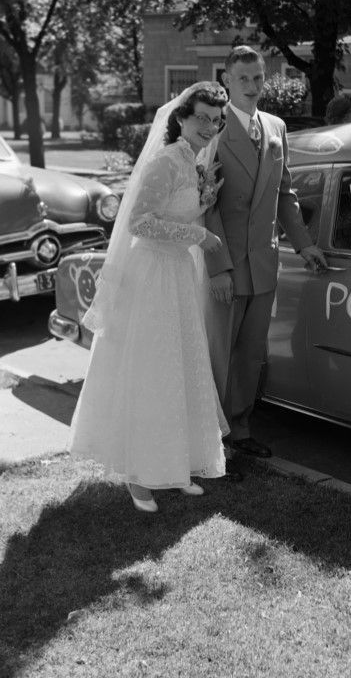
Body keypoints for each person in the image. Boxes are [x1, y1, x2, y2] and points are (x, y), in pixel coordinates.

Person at [70, 82, 229, 513]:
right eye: (201, 118)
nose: (208, 127)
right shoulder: (165, 161)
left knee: (180, 367)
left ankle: (175, 466)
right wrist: (197, 233)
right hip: (153, 275)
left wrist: (203, 200)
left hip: (176, 272)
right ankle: (138, 476)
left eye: (215, 121)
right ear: (182, 118)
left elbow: (176, 209)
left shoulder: (193, 161)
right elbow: (139, 222)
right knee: (153, 370)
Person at [205, 45, 328, 471]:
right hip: (226, 265)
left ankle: (240, 431)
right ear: (226, 81)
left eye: (258, 77)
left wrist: (304, 243)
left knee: (251, 353)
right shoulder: (212, 130)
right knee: (219, 353)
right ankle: (210, 438)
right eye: (243, 78)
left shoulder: (276, 126)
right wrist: (217, 267)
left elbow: (284, 193)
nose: (253, 86)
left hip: (264, 263)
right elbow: (207, 206)